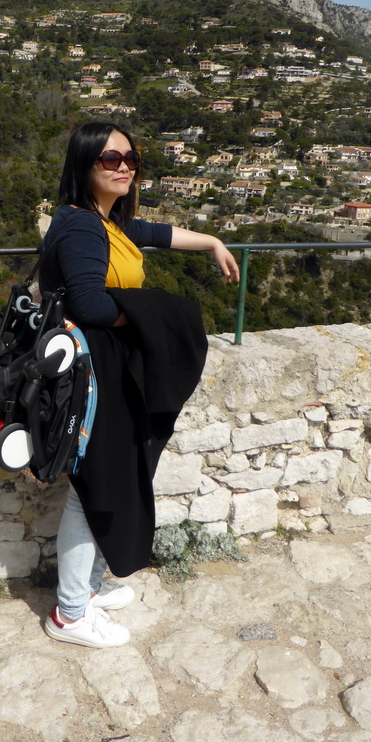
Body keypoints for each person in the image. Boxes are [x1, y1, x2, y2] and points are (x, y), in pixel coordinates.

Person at [38, 121, 239, 648]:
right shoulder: (82, 227)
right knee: (94, 489)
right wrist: (158, 314)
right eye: (110, 158)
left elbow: (159, 234)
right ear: (84, 165)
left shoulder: (111, 223)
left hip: (106, 369)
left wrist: (213, 242)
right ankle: (70, 613)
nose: (124, 165)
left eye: (130, 157)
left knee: (112, 481)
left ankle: (90, 586)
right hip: (91, 375)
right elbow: (92, 305)